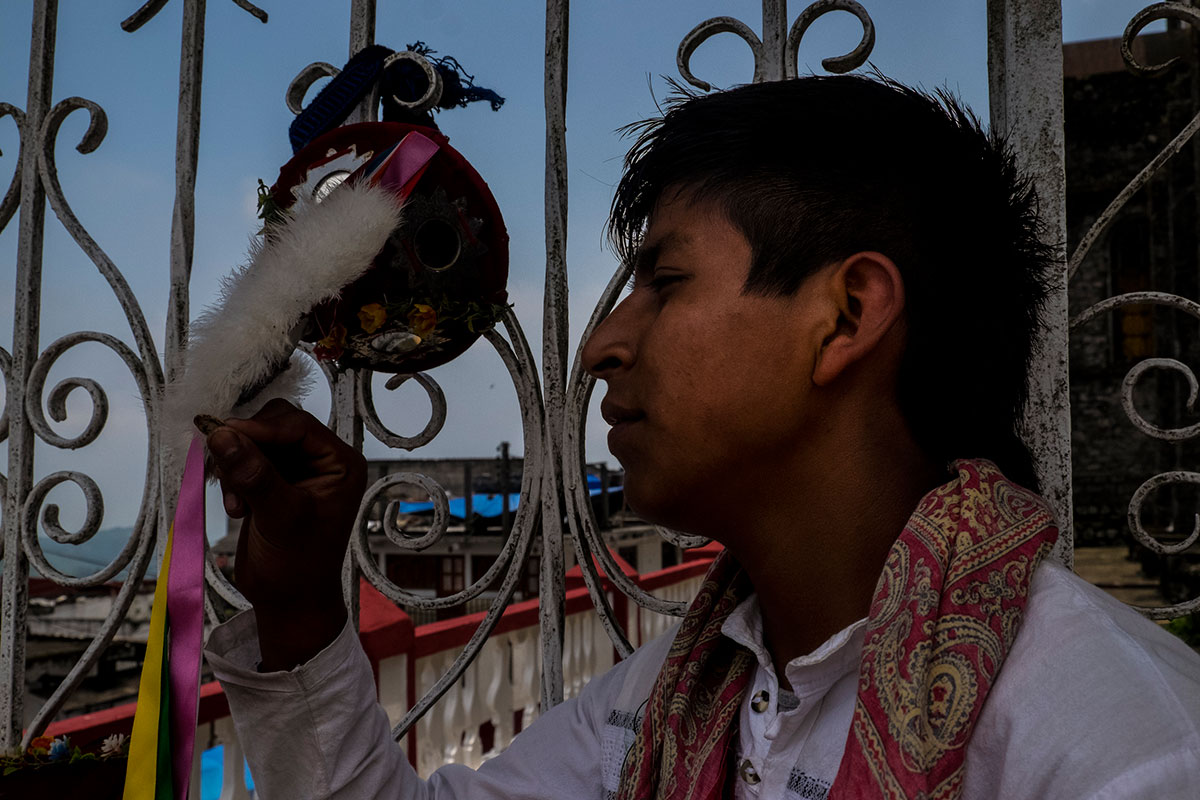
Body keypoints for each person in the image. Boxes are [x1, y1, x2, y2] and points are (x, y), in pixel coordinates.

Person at [202, 75, 1200, 799]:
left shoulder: (1117, 748)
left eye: (665, 283)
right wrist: (297, 610)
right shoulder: (677, 699)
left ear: (846, 315)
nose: (601, 345)